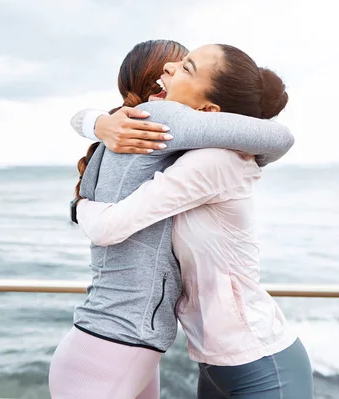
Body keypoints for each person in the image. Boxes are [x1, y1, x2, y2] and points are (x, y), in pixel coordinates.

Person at [49, 40, 299, 399]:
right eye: (177, 64)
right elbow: (278, 137)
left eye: (185, 66)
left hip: (113, 337)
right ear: (156, 85)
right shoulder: (165, 118)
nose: (173, 70)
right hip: (117, 339)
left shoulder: (131, 135)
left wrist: (94, 124)